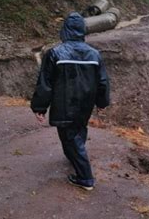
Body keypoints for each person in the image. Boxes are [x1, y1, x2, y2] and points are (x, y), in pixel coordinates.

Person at [31, 12, 110, 191]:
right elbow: (102, 82)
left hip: (64, 104)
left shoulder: (55, 53)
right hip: (85, 103)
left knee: (69, 136)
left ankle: (85, 178)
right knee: (79, 129)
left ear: (65, 30)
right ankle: (74, 155)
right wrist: (101, 102)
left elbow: (45, 83)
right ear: (83, 30)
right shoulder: (94, 54)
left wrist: (39, 106)